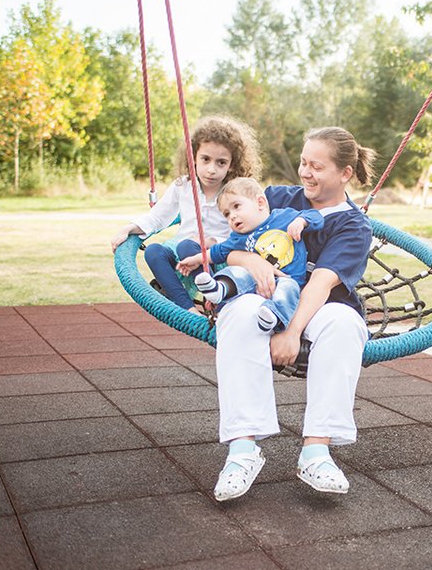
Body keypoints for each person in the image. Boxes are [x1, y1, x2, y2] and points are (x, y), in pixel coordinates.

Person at [211, 127, 375, 501]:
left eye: (316, 166)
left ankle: (316, 451)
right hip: (264, 295)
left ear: (345, 173)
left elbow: (320, 284)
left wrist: (291, 333)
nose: (305, 172)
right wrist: (250, 260)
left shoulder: (353, 224)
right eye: (303, 162)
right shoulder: (275, 198)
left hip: (321, 307)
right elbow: (230, 247)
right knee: (237, 314)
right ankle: (242, 450)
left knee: (346, 324)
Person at [110, 116, 262, 314]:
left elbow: (246, 231)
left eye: (221, 163)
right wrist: (129, 228)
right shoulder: (183, 186)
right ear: (193, 157)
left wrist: (211, 242)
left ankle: (213, 298)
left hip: (217, 256)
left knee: (188, 245)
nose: (211, 170)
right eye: (205, 159)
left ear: (232, 165)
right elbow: (157, 217)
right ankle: (186, 306)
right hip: (183, 254)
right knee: (154, 251)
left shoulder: (234, 192)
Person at [176, 177, 324, 333]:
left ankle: (272, 315)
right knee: (238, 272)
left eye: (236, 206)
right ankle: (220, 289)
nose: (232, 216)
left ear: (260, 203)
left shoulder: (285, 217)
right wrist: (196, 259)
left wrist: (301, 221)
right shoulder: (237, 237)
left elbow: (316, 216)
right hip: (256, 283)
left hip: (287, 279)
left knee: (289, 289)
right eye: (227, 214)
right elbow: (218, 251)